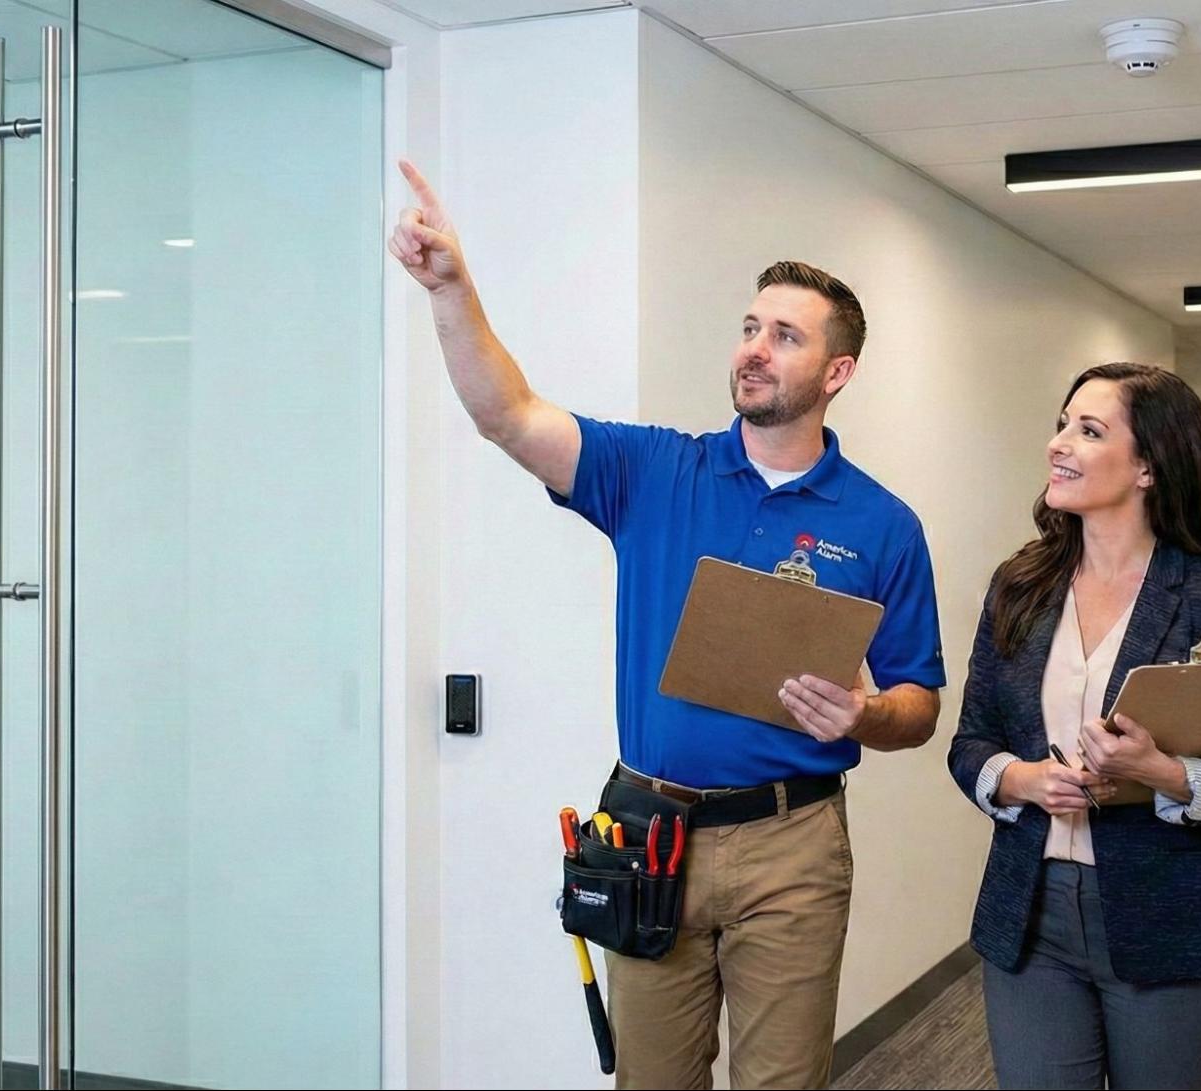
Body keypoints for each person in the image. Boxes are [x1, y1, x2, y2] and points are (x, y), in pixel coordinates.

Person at [388, 160, 946, 1090]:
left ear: (836, 371)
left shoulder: (882, 524)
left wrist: (864, 716)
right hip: (651, 830)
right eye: (748, 328)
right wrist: (451, 290)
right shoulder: (654, 472)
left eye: (785, 336)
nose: (754, 349)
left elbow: (920, 703)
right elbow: (507, 414)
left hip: (792, 844)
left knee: (782, 1081)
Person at [947, 362, 1201, 1090]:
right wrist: (1019, 778)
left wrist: (1161, 772)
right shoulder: (1019, 586)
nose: (1058, 443)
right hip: (1031, 917)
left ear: (1147, 466)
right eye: (1062, 422)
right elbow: (970, 740)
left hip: (1166, 920)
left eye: (1089, 429)